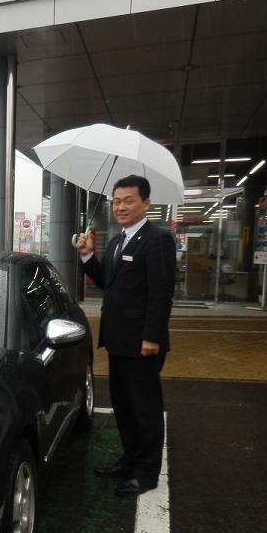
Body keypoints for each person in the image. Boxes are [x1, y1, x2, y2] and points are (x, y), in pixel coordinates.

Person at [76, 175, 176, 496]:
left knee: (144, 409)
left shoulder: (157, 240)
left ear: (145, 203)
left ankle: (146, 474)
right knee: (123, 404)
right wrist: (88, 256)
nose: (121, 206)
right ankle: (130, 460)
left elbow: (161, 294)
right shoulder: (119, 240)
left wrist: (152, 337)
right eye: (116, 201)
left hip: (142, 344)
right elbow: (108, 282)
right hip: (118, 341)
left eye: (128, 200)